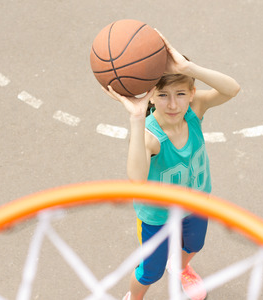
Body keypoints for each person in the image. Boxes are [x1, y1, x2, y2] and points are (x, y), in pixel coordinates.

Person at [102, 30, 240, 300]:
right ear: (151, 97)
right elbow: (137, 180)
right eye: (163, 95)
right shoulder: (151, 136)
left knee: (194, 245)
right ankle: (134, 297)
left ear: (192, 93)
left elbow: (232, 89)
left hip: (196, 203)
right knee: (149, 272)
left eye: (180, 94)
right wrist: (136, 118)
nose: (173, 104)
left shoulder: (195, 109)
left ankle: (181, 268)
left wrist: (190, 68)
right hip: (158, 218)